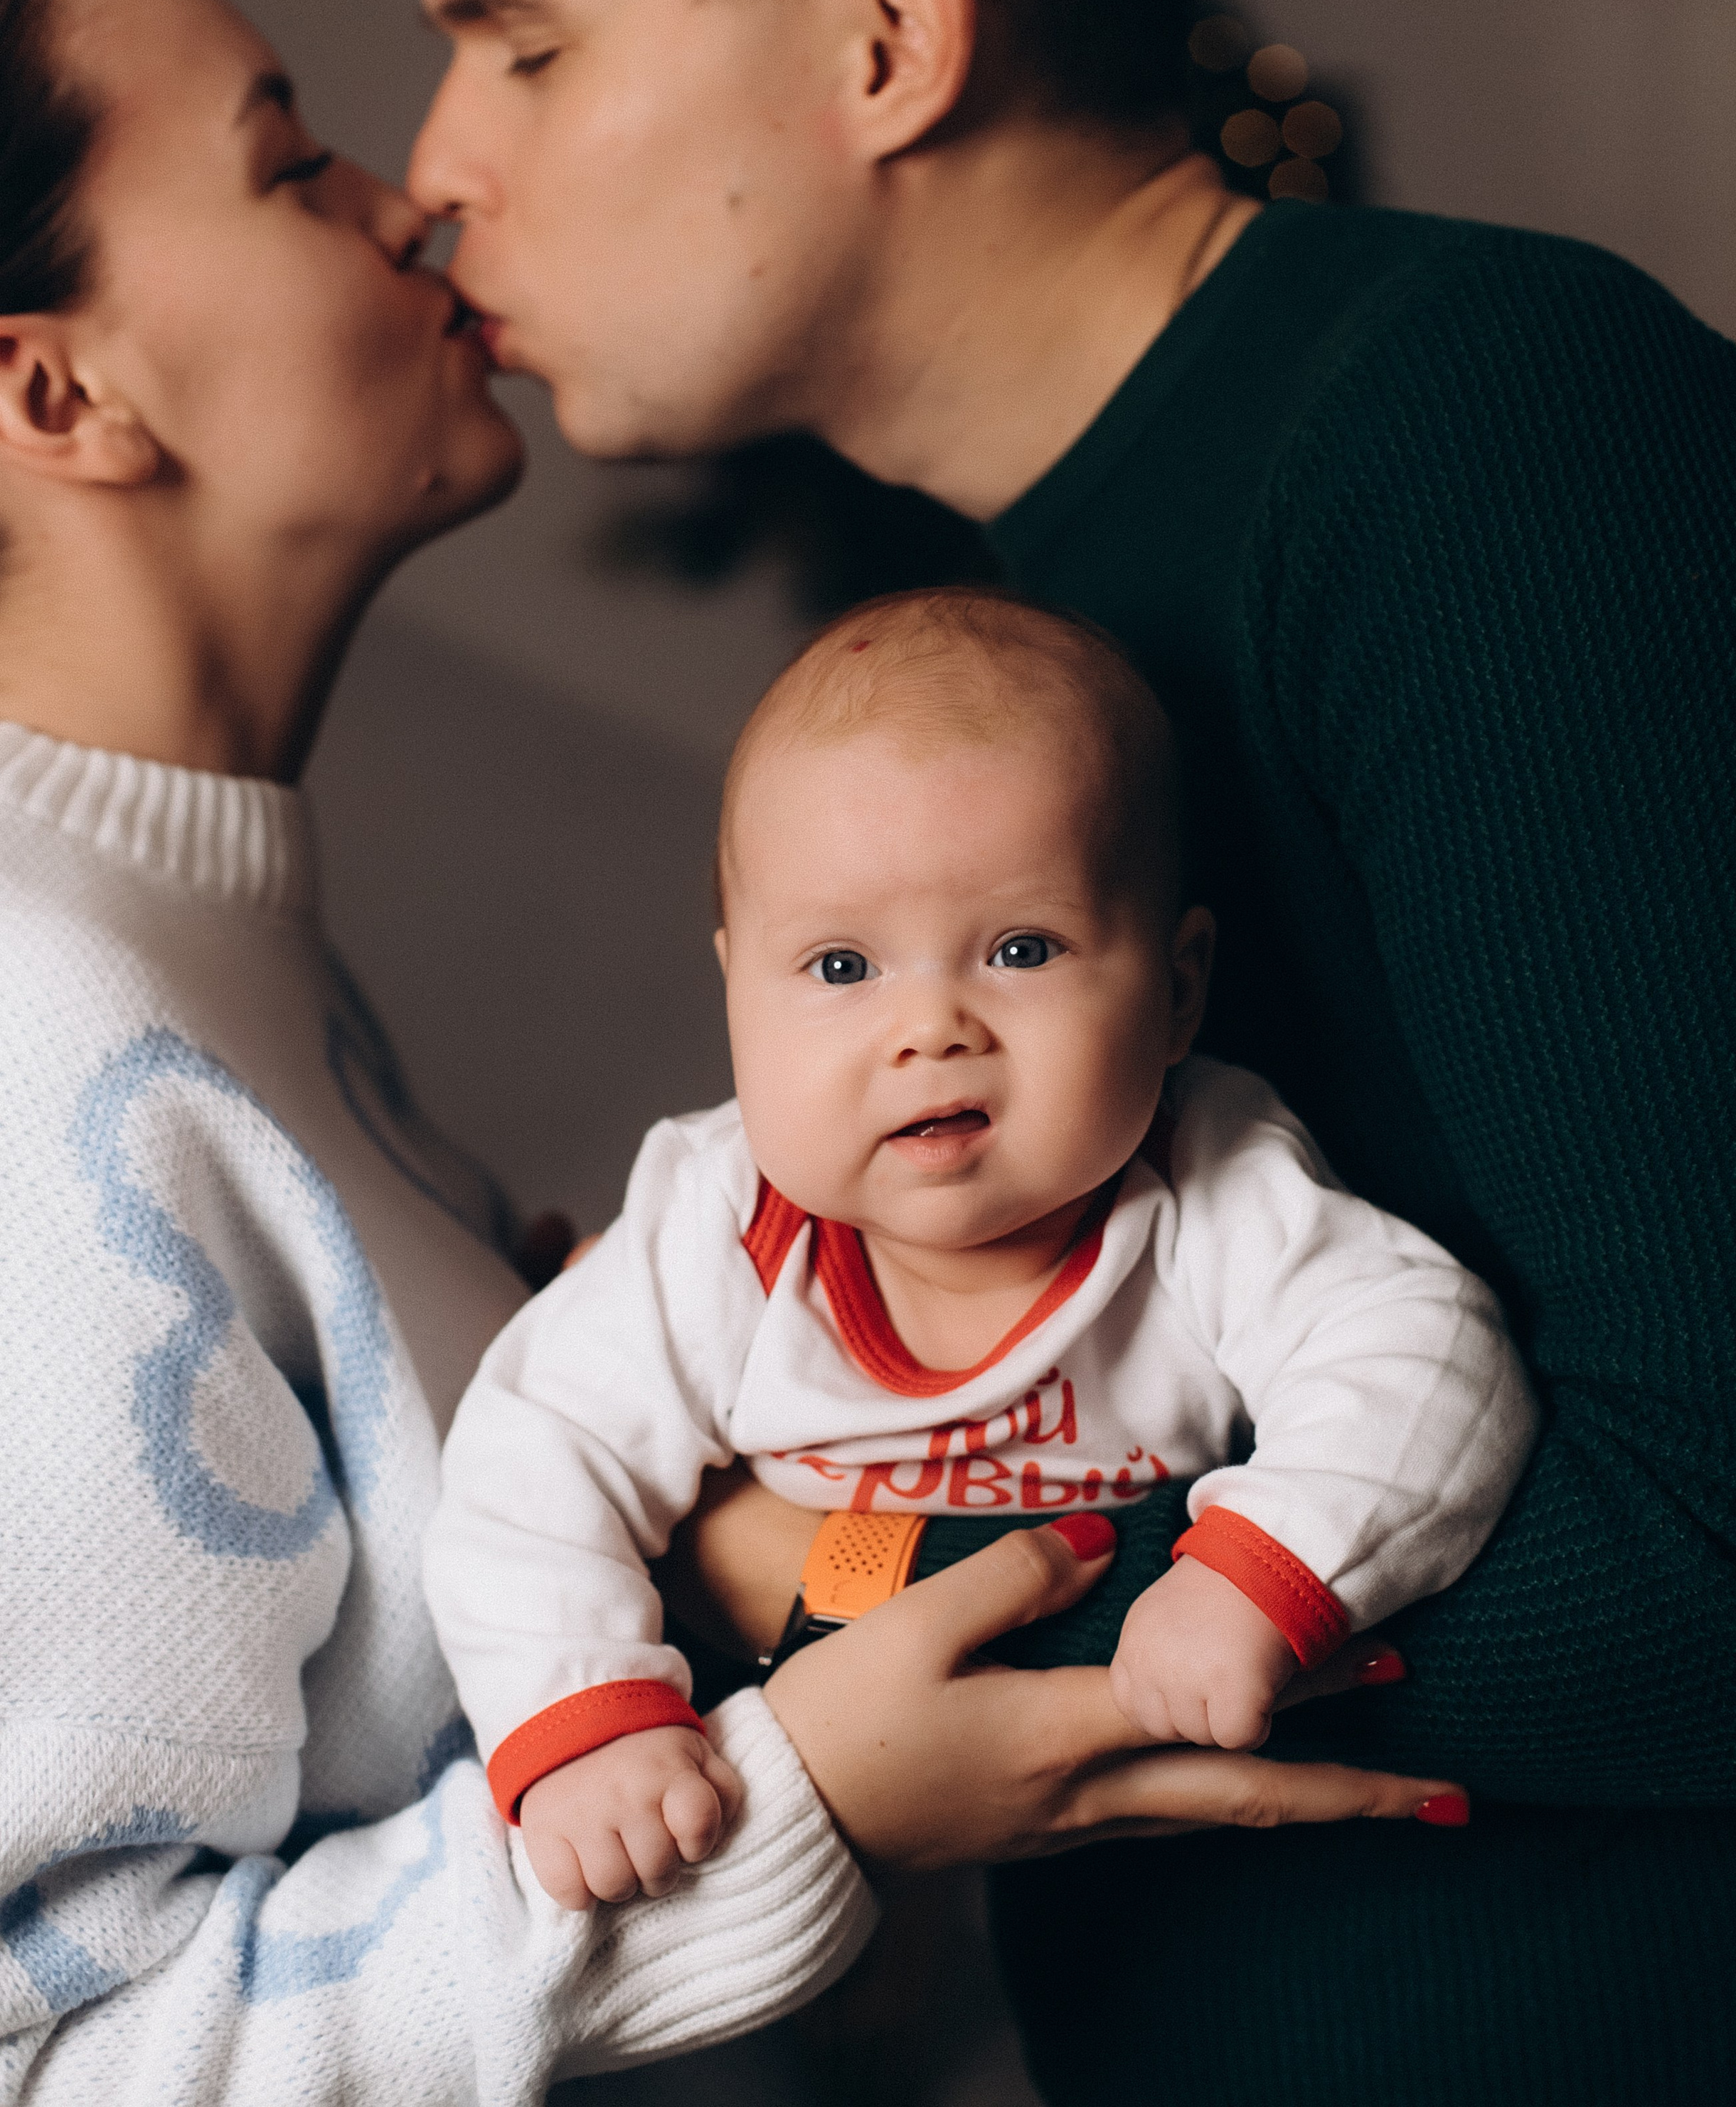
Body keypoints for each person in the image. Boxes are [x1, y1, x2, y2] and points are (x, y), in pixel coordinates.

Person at [405, 0, 1736, 2105]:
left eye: (516, 40)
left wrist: (802, 1575)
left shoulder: (1482, 440)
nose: (433, 167)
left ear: (887, 36)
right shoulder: (1016, 632)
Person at [0, 0, 1453, 2106]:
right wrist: (813, 1798)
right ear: (56, 389)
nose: (420, 191)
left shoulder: (213, 954)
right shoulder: (39, 1036)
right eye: (290, 162)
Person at [426, 588, 1531, 1911]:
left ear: (1178, 990)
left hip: (1206, 1829)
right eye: (841, 967)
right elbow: (526, 1458)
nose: (931, 1028)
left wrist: (1269, 1568)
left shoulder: (1207, 1182)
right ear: (735, 988)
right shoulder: (717, 1231)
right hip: (827, 1772)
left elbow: (1429, 1358)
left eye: (1020, 948)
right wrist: (590, 1721)